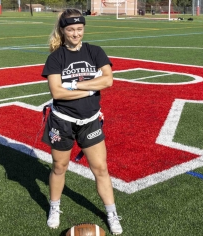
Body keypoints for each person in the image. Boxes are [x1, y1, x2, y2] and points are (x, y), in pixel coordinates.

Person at [41, 8, 123, 235]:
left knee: (101, 168)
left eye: (79, 29)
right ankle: (55, 207)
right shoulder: (56, 57)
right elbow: (57, 93)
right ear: (63, 30)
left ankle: (111, 213)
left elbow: (108, 81)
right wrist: (91, 85)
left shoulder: (95, 51)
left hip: (90, 120)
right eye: (71, 30)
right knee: (59, 167)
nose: (76, 34)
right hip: (62, 121)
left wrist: (75, 86)